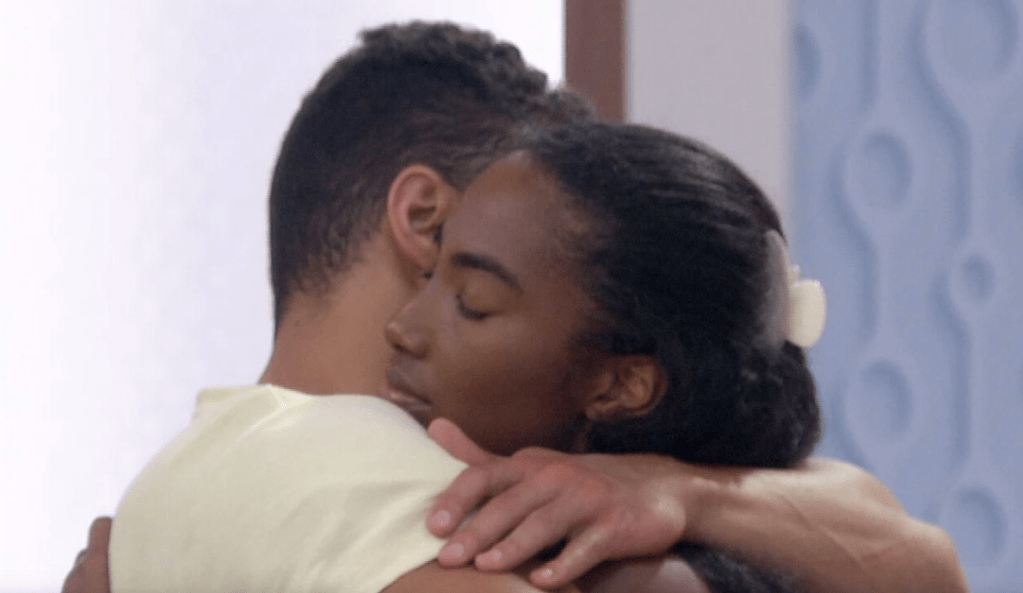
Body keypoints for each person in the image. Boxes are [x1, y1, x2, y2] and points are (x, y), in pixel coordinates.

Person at [62, 20, 968, 593]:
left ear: (621, 380)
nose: (409, 327)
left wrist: (671, 491)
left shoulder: (221, 463)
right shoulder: (349, 461)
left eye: (475, 297)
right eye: (458, 281)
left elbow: (921, 559)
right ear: (424, 220)